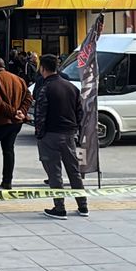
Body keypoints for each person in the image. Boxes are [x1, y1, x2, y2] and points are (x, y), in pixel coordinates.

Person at [34, 53, 87, 218]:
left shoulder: (45, 88)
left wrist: (39, 134)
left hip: (50, 134)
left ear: (42, 68)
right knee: (74, 171)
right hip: (69, 134)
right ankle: (83, 205)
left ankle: (59, 207)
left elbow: (40, 114)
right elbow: (80, 113)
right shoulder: (71, 87)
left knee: (54, 173)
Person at [0, 57, 31, 190]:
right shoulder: (19, 79)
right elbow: (28, 97)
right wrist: (21, 112)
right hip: (16, 122)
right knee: (8, 150)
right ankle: (7, 180)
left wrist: (14, 112)